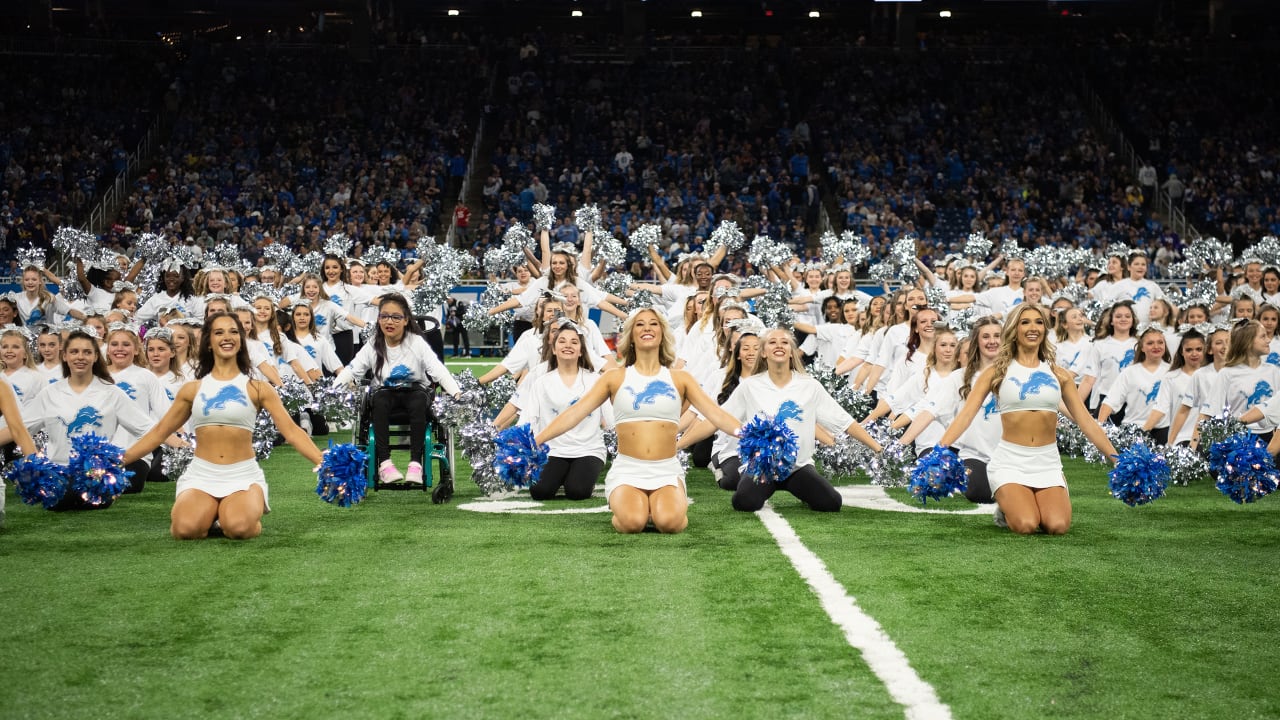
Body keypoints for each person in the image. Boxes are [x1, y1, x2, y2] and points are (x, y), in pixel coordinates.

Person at [533, 309, 742, 533]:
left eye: (653, 324)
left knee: (669, 524)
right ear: (631, 336)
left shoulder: (680, 378)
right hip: (628, 469)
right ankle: (637, 506)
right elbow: (575, 413)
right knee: (632, 523)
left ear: (662, 334)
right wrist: (537, 440)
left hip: (666, 468)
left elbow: (716, 414)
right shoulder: (614, 377)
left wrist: (749, 435)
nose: (647, 329)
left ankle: (659, 505)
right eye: (640, 325)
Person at [123, 313, 325, 539]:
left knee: (238, 528)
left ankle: (233, 513)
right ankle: (211, 513)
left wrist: (324, 463)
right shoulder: (192, 389)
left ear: (241, 340)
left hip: (242, 475)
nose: (227, 337)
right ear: (208, 341)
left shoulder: (258, 388)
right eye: (219, 332)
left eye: (233, 332)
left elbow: (292, 432)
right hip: (201, 474)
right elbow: (160, 432)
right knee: (185, 530)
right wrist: (117, 461)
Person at [935, 304, 1118, 535]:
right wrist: (939, 452)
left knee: (1057, 526)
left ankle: (1029, 500)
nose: (1033, 328)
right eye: (1025, 322)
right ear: (1014, 329)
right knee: (1026, 524)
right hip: (1010, 460)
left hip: (1047, 461)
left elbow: (1085, 421)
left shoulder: (1058, 374)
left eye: (1039, 322)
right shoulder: (996, 372)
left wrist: (1116, 458)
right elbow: (965, 416)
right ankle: (1006, 508)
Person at [22, 329, 157, 510]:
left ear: (95, 357)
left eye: (87, 352)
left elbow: (152, 432)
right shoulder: (50, 393)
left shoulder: (112, 392)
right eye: (74, 352)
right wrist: (34, 461)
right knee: (62, 495)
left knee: (71, 494)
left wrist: (121, 459)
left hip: (97, 476)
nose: (80, 357)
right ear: (64, 356)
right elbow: (19, 428)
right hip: (58, 472)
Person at [336, 294, 461, 485]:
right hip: (385, 395)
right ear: (378, 319)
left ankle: (415, 465)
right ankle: (385, 464)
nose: (389, 321)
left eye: (395, 317)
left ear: (406, 320)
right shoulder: (373, 344)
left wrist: (456, 392)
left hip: (415, 393)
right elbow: (353, 369)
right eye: (384, 316)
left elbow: (437, 370)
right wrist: (332, 390)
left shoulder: (416, 342)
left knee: (419, 399)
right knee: (379, 399)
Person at [517, 319, 613, 501]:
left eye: (574, 342)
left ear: (581, 351)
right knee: (540, 492)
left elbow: (610, 421)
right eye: (562, 341)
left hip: (588, 448)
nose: (568, 346)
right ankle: (560, 474)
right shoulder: (542, 382)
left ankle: (575, 475)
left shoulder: (595, 380)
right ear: (553, 349)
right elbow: (528, 419)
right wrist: (517, 446)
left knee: (577, 491)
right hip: (552, 449)